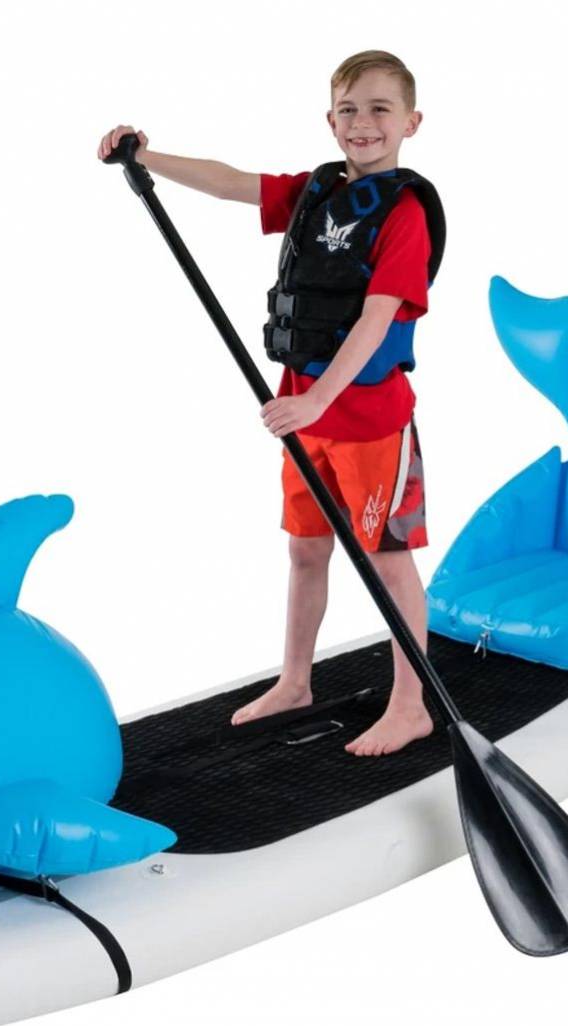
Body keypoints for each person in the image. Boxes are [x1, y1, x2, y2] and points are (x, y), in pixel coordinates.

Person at [97, 50, 443, 756]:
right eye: (347, 110)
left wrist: (318, 400)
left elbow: (376, 316)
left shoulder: (405, 212)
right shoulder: (318, 191)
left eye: (380, 109)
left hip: (368, 420)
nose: (362, 123)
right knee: (306, 550)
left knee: (386, 559)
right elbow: (231, 183)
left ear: (411, 122)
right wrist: (146, 157)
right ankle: (294, 681)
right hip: (301, 411)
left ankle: (411, 705)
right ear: (329, 120)